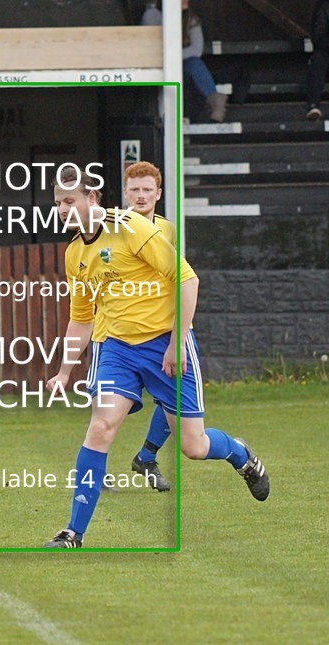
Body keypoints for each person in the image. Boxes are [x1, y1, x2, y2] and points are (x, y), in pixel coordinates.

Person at [43, 167, 269, 548]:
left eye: (70, 201)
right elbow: (81, 318)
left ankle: (240, 454)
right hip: (117, 349)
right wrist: (64, 371)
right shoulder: (74, 254)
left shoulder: (132, 227)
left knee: (193, 447)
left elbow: (188, 279)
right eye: (58, 204)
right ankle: (72, 532)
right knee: (100, 427)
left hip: (165, 341)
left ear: (92, 199)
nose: (63, 210)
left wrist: (177, 343)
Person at [86, 161, 176, 492]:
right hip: (111, 334)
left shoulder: (167, 230)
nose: (140, 196)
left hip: (157, 333)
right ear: (125, 193)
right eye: (134, 190)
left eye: (147, 189)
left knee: (174, 400)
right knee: (104, 413)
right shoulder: (109, 229)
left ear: (158, 194)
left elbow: (174, 277)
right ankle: (96, 472)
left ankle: (146, 457)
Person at [306, 0, 329, 120]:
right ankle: (313, 106)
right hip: (326, 51)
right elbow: (318, 36)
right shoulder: (324, 5)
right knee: (318, 60)